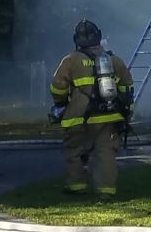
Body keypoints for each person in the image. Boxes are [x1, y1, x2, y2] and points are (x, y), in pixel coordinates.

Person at [48, 20, 133, 198]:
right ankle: (106, 191)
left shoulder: (71, 60)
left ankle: (77, 186)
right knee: (106, 153)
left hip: (79, 117)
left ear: (76, 39)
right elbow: (127, 89)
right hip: (110, 116)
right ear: (99, 37)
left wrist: (61, 103)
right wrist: (127, 113)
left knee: (75, 151)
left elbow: (58, 86)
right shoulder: (114, 60)